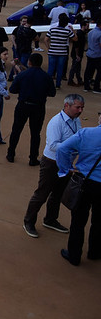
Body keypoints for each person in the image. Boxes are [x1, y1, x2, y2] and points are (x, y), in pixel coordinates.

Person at [22, 93, 84, 238]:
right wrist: (73, 147)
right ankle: (28, 221)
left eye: (82, 108)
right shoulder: (57, 122)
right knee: (41, 194)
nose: (80, 110)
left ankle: (50, 219)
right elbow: (53, 145)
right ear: (67, 106)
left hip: (66, 164)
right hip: (51, 163)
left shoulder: (76, 120)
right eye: (77, 107)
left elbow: (79, 136)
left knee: (58, 193)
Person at [56, 111, 101, 266]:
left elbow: (62, 149)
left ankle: (74, 255)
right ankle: (95, 251)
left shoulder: (86, 133)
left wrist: (65, 168)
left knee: (78, 221)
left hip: (84, 181)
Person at [6, 53, 56, 163]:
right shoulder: (46, 77)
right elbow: (52, 93)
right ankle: (33, 157)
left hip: (23, 105)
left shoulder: (23, 75)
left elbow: (13, 89)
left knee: (16, 130)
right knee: (35, 133)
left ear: (29, 62)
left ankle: (11, 154)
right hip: (38, 107)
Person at [45, 13, 76, 89]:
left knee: (50, 69)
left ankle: (48, 84)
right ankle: (58, 85)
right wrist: (73, 30)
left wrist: (49, 48)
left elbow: (46, 40)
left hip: (52, 51)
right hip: (62, 52)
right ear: (66, 24)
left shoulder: (53, 29)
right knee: (60, 69)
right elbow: (75, 39)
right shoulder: (67, 31)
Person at [68, 18, 89, 87]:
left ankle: (79, 79)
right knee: (74, 67)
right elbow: (76, 45)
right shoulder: (80, 34)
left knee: (77, 67)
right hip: (76, 53)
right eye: (87, 26)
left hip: (78, 53)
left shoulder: (80, 33)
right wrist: (77, 54)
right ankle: (70, 80)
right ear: (83, 26)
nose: (88, 27)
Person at [83, 19, 101, 93]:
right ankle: (96, 87)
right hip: (98, 55)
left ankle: (86, 86)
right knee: (99, 72)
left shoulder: (90, 32)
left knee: (88, 71)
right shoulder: (100, 33)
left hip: (90, 53)